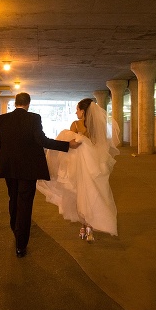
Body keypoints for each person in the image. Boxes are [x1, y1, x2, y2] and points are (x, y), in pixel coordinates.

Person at [0, 92, 81, 258]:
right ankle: (21, 245)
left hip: (9, 167)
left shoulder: (2, 119)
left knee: (13, 197)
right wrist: (67, 145)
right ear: (28, 104)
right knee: (25, 203)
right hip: (28, 169)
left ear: (15, 103)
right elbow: (42, 141)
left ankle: (15, 228)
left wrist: (3, 160)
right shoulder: (34, 118)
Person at [37, 98, 119, 242]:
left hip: (79, 166)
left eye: (77, 109)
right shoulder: (99, 126)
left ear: (83, 111)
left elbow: (70, 146)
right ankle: (90, 227)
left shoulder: (76, 125)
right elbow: (101, 146)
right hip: (95, 165)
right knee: (93, 193)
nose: (76, 111)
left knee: (80, 193)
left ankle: (84, 226)